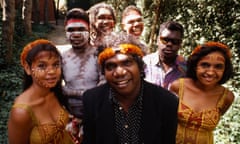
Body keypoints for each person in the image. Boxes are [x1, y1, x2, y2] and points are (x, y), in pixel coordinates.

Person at [82, 32, 178, 144]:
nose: (119, 72)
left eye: (127, 63)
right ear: (104, 72)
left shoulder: (167, 102)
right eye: (110, 66)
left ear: (140, 67)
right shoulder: (92, 100)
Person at [7, 39, 75, 144]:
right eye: (42, 66)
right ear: (28, 68)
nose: (52, 71)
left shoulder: (55, 93)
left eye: (56, 64)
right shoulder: (21, 113)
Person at [169, 41, 235, 144]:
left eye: (218, 67)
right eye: (205, 65)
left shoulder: (226, 97)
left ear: (225, 70)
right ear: (195, 66)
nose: (210, 72)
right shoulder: (178, 87)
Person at [62, 8, 105, 142]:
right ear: (65, 32)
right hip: (71, 119)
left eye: (81, 29)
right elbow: (56, 87)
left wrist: (73, 92)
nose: (76, 34)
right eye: (70, 30)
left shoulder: (99, 55)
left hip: (98, 117)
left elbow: (104, 83)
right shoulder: (62, 58)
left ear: (89, 30)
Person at [143, 21, 186, 89]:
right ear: (157, 40)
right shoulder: (144, 63)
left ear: (180, 44)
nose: (169, 44)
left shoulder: (186, 68)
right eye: (165, 40)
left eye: (175, 41)